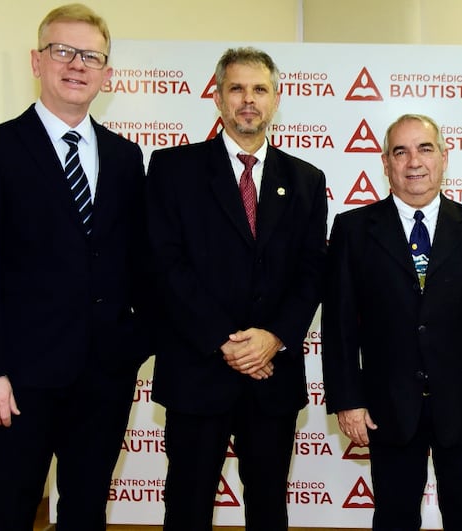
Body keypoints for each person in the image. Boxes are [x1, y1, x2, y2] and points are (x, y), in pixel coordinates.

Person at [0, 4, 150, 531]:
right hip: (18, 380)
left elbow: (139, 261)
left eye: (91, 56)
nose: (76, 65)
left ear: (107, 73)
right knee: (12, 510)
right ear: (36, 62)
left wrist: (135, 344)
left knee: (86, 511)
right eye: (62, 51)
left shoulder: (127, 158)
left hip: (104, 375)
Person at [146, 47, 327, 531]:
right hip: (198, 368)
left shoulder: (307, 180)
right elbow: (165, 265)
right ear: (219, 98)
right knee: (187, 503)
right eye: (237, 88)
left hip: (273, 374)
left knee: (269, 505)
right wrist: (224, 340)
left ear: (276, 98)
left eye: (260, 89)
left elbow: (312, 272)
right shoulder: (172, 169)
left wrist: (274, 337)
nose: (249, 100)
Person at [321, 114, 462, 531]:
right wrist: (347, 400)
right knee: (393, 519)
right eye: (401, 151)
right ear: (385, 163)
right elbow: (339, 326)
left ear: (444, 158)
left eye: (425, 149)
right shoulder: (353, 229)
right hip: (386, 406)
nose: (414, 161)